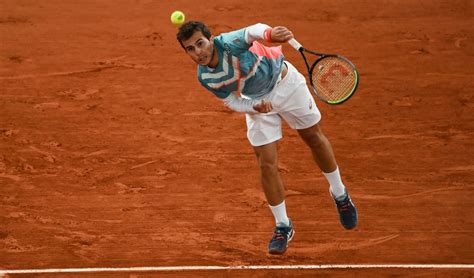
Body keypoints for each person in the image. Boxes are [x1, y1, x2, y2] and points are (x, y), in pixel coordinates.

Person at [176, 21, 357, 255]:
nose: (197, 52)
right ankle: (283, 225)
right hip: (259, 102)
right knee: (266, 163)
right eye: (190, 49)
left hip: (287, 85)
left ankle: (340, 193)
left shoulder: (229, 43)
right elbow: (231, 100)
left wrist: (271, 33)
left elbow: (253, 31)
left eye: (200, 43)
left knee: (313, 137)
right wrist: (254, 106)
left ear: (211, 39)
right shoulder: (206, 77)